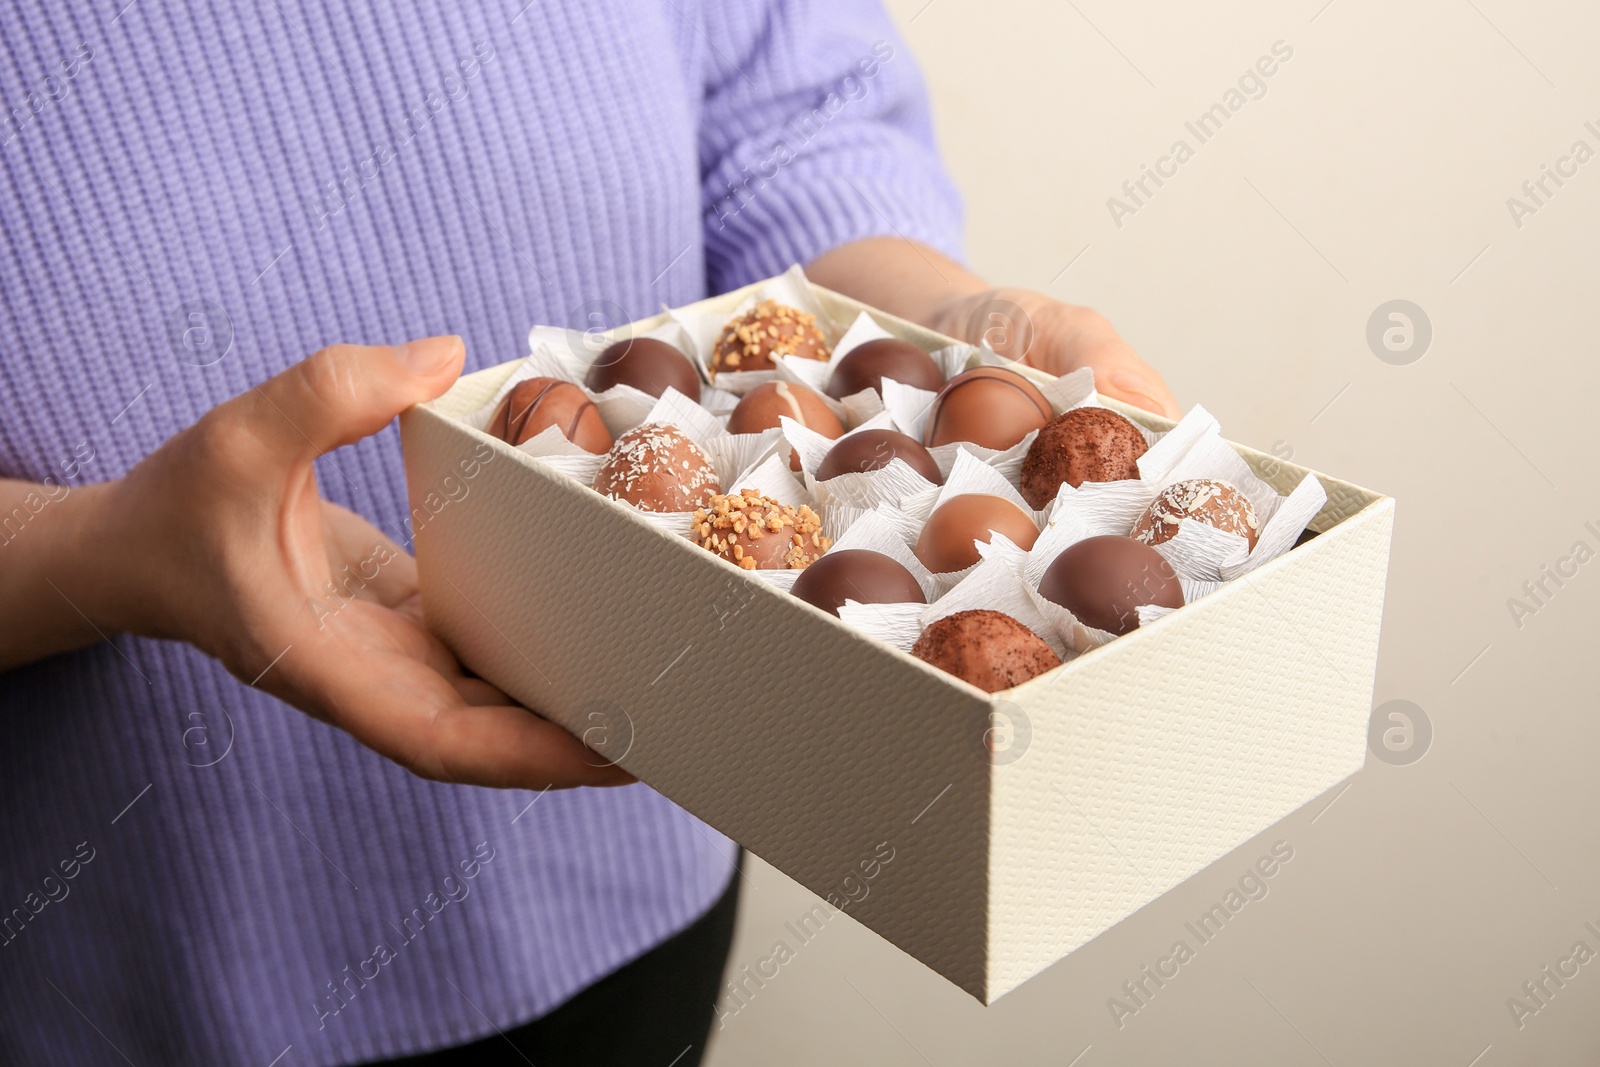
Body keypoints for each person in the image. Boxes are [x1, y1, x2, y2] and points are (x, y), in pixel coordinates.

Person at [0, 1, 1176, 1064]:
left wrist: (929, 332)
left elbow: (784, 110)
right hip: (158, 960)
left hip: (654, 828)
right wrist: (93, 551)